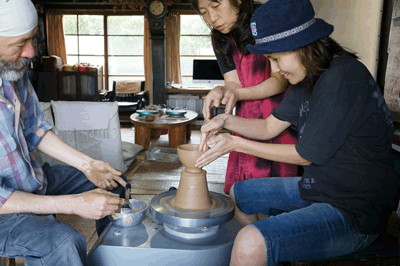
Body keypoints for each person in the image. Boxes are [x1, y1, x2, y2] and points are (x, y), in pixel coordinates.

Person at [196, 0, 400, 265]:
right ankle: (275, 253)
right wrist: (224, 122)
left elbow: (305, 155)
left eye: (276, 59)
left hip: (354, 211)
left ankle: (264, 251)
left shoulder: (342, 79)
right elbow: (269, 127)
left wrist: (235, 144)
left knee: (249, 243)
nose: (276, 70)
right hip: (321, 188)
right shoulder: (306, 79)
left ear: (304, 45)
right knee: (239, 193)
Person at [0, 0, 128, 265]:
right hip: (4, 210)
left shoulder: (12, 70)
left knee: (114, 183)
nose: (30, 52)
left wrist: (89, 165)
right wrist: (73, 203)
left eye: (31, 40)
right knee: (62, 242)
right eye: (19, 44)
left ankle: (114, 256)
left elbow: (35, 129)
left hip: (30, 181)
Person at [191, 0, 298, 194]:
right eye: (204, 12)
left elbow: (280, 80)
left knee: (276, 192)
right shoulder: (221, 38)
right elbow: (233, 83)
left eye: (216, 6)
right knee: (240, 191)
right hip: (245, 118)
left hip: (279, 114)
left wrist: (238, 94)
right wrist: (221, 90)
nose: (212, 18)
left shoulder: (266, 19)